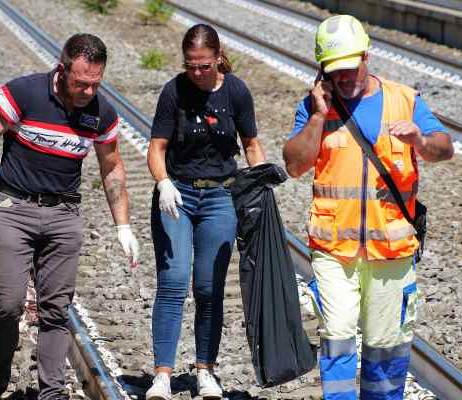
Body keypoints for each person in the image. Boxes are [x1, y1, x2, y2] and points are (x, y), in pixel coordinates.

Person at [0, 33, 139, 400]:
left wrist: (122, 224)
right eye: (80, 82)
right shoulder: (23, 94)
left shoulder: (101, 112)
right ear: (62, 69)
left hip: (64, 214)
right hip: (16, 209)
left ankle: (52, 391)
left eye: (95, 84)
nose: (88, 91)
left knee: (56, 308)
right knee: (8, 303)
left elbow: (112, 167)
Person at [283, 15, 453, 400]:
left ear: (366, 55)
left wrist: (421, 141)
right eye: (335, 72)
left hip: (390, 250)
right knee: (338, 337)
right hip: (334, 251)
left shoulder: (404, 100)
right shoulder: (313, 107)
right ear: (321, 71)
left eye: (350, 68)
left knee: (386, 345)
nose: (344, 78)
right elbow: (294, 165)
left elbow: (445, 147)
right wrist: (316, 115)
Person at [145, 24, 265, 400]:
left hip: (220, 197)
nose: (197, 73)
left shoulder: (236, 91)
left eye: (204, 66)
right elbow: (157, 147)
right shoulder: (173, 91)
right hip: (177, 194)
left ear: (217, 58)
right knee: (174, 280)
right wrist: (162, 181)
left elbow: (251, 145)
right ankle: (162, 376)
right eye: (191, 65)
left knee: (209, 287)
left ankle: (205, 371)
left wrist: (257, 190)